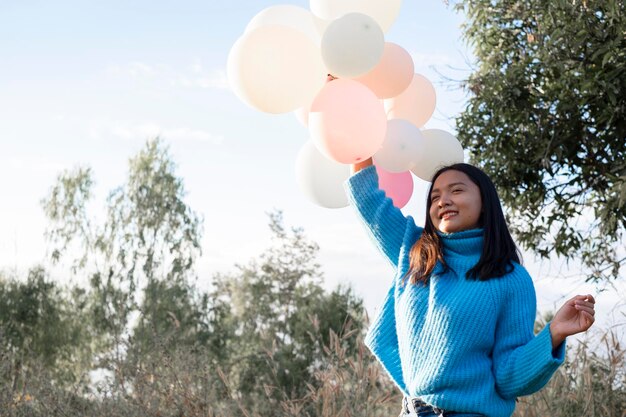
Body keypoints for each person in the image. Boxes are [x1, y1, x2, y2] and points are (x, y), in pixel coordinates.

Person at [345, 158, 596, 417]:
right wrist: (359, 147)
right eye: (434, 197)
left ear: (485, 203)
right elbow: (370, 204)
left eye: (456, 190)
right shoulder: (415, 251)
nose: (443, 201)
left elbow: (508, 377)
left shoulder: (510, 279)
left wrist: (553, 334)